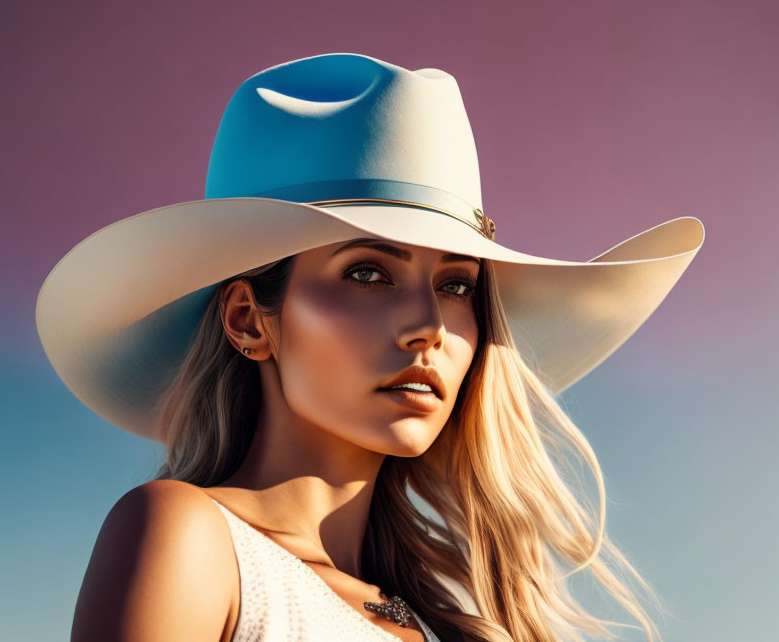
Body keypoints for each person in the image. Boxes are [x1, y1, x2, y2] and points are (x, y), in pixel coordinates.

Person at [35, 53, 705, 642]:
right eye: (367, 273)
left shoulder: (456, 619)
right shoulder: (188, 539)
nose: (428, 326)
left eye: (454, 284)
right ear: (248, 320)